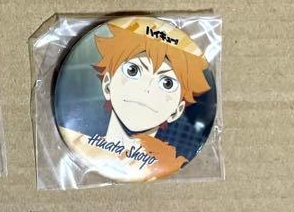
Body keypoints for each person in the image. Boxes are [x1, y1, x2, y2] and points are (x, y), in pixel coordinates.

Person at [60, 19, 213, 178]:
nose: (146, 89)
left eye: (167, 83)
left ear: (177, 111)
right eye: (132, 71)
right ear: (107, 84)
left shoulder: (158, 170)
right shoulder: (75, 140)